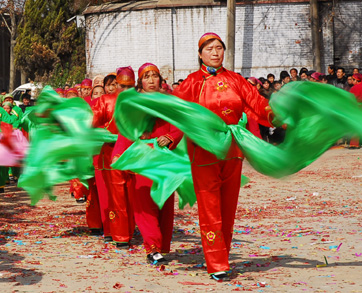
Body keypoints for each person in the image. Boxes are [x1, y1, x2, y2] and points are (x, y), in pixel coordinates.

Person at [171, 32, 275, 281]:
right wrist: (171, 137)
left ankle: (222, 256)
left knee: (228, 207)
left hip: (232, 151)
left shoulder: (236, 80)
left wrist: (276, 116)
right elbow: (177, 112)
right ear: (200, 54)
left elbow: (256, 103)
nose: (216, 52)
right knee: (210, 208)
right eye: (210, 49)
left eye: (219, 48)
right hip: (204, 150)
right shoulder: (193, 82)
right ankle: (217, 263)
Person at [113, 63, 183, 265]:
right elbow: (126, 131)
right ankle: (152, 247)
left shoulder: (169, 101)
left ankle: (161, 245)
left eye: (155, 76)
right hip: (143, 157)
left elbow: (180, 125)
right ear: (140, 82)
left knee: (164, 203)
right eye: (147, 76)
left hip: (165, 158)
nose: (152, 80)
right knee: (144, 203)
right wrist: (118, 153)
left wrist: (171, 137)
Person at [92, 66, 137, 247]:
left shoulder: (140, 103)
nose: (125, 90)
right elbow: (91, 122)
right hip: (112, 155)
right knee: (115, 195)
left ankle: (129, 230)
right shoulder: (105, 101)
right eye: (122, 86)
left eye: (129, 86)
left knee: (133, 196)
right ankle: (118, 234)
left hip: (135, 155)